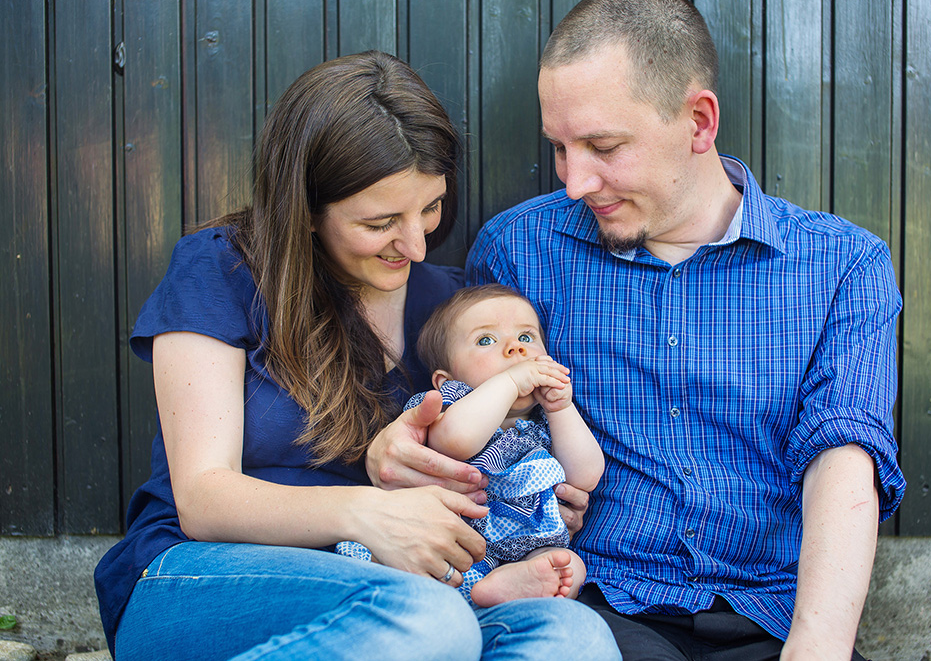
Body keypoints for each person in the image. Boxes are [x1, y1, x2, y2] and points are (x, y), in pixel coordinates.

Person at [368, 0, 907, 660]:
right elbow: (469, 419)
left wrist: (816, 644)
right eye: (560, 148)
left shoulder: (843, 266)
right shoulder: (519, 249)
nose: (573, 181)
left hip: (773, 613)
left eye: (602, 146)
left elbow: (844, 456)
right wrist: (401, 447)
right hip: (595, 605)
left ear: (699, 122)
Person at [93, 51, 620, 661]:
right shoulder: (219, 270)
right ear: (307, 210)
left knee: (574, 638)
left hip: (414, 589)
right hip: (206, 577)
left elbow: (506, 436)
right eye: (380, 223)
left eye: (430, 208)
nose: (417, 245)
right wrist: (367, 513)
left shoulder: (454, 313)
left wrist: (523, 494)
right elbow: (203, 498)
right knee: (429, 623)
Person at [339, 284, 604, 607]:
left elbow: (585, 476)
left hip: (523, 545)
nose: (515, 350)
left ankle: (509, 585)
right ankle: (478, 589)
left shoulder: (546, 421)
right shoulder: (449, 404)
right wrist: (510, 382)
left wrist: (562, 408)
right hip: (449, 533)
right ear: (446, 379)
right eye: (486, 341)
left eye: (526, 337)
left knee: (567, 565)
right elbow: (457, 442)